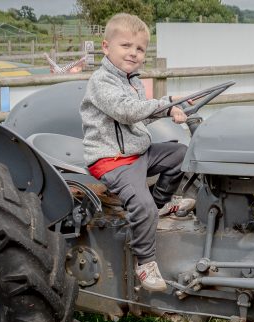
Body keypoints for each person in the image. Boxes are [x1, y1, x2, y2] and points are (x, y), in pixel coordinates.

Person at [80, 13, 195, 292]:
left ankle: (159, 205)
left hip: (136, 153)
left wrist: (170, 108)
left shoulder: (131, 80)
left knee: (180, 155)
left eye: (140, 48)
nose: (133, 53)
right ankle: (145, 263)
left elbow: (140, 117)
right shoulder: (102, 81)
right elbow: (126, 111)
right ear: (106, 47)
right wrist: (166, 103)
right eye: (126, 46)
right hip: (112, 160)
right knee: (140, 205)